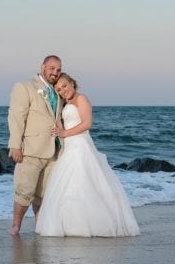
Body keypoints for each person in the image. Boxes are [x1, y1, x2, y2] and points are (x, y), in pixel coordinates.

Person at [34, 74, 140, 237]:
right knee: (68, 185)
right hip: (69, 147)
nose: (63, 90)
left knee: (82, 182)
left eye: (65, 86)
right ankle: (69, 224)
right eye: (59, 89)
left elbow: (87, 124)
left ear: (72, 83)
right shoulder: (66, 103)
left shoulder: (81, 99)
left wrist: (64, 133)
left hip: (80, 145)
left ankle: (90, 224)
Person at [7, 55, 63, 235]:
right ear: (42, 67)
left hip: (54, 150)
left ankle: (40, 226)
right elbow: (16, 116)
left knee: (43, 194)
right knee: (25, 190)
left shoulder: (58, 90)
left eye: (58, 70)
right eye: (52, 68)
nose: (55, 72)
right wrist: (15, 145)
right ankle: (16, 227)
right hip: (31, 149)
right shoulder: (25, 87)